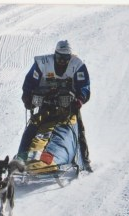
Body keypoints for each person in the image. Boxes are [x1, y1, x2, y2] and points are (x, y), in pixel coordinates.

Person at [19, 40, 92, 172]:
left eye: (66, 59)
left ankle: (85, 162)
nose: (62, 62)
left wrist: (79, 100)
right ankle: (20, 159)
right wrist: (27, 98)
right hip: (46, 103)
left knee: (78, 130)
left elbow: (84, 87)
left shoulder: (78, 65)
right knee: (34, 125)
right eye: (59, 58)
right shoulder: (43, 64)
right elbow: (29, 82)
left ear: (70, 57)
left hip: (68, 107)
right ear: (55, 54)